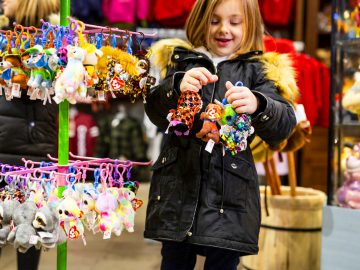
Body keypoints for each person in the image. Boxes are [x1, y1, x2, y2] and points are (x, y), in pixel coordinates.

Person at [144, 0, 297, 269]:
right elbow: (155, 112)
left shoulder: (260, 70)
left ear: (249, 24)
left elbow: (284, 125)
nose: (223, 29)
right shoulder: (180, 61)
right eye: (214, 21)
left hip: (230, 197)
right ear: (200, 20)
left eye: (234, 22)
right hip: (178, 189)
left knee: (223, 264)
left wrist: (259, 104)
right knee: (174, 262)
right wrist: (176, 86)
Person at [0, 1, 59, 270]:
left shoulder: (52, 40)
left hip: (32, 146)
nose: (4, 2)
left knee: (30, 229)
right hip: (25, 142)